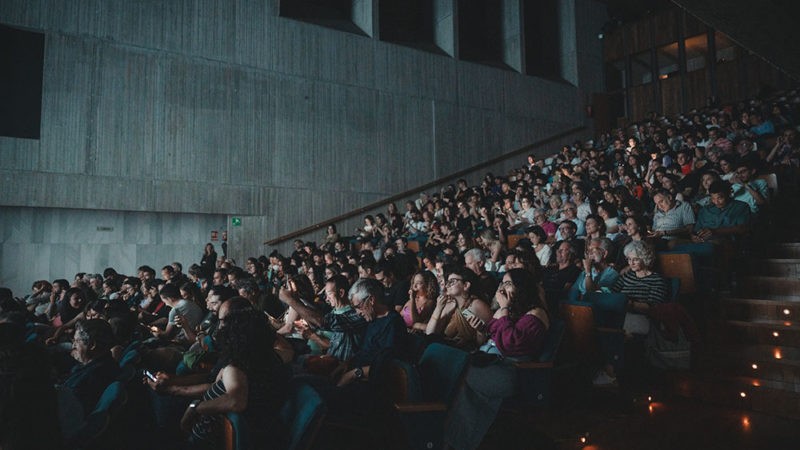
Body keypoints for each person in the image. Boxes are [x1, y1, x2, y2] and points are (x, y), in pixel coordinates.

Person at [177, 299, 290, 450]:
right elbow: (287, 350)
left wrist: (195, 408)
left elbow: (236, 401)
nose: (221, 327)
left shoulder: (236, 367)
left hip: (211, 441)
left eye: (224, 322)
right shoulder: (270, 357)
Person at [425, 268, 492, 351]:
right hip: (445, 348)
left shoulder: (476, 304)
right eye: (447, 282)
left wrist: (480, 331)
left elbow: (484, 342)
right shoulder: (449, 305)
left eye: (452, 281)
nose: (447, 285)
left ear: (466, 285)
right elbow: (430, 333)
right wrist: (438, 308)